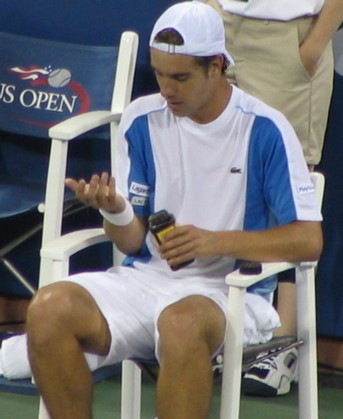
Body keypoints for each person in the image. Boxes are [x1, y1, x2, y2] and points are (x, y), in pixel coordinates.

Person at [24, 2, 322, 418]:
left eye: (180, 77)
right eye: (160, 74)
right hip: (145, 283)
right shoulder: (141, 119)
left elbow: (309, 240)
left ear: (216, 66)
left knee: (180, 324)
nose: (166, 89)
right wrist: (114, 211)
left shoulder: (265, 128)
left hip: (232, 293)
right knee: (48, 308)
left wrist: (211, 241)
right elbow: (132, 241)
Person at [203, 0, 343, 396]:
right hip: (224, 30)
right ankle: (224, 329)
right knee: (220, 174)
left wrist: (313, 45)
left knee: (291, 186)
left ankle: (281, 344)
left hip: (291, 37)